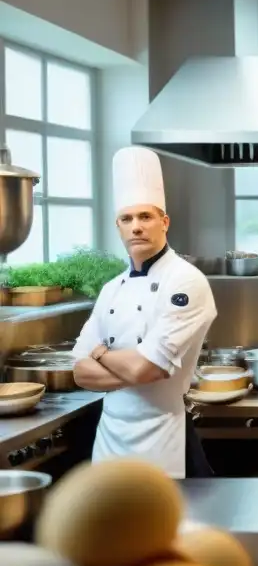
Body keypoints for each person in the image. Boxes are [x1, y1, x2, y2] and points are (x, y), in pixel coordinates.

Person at [72, 146, 217, 478]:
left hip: (162, 438)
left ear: (164, 222)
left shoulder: (185, 280)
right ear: (118, 226)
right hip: (110, 441)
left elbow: (146, 369)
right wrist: (135, 368)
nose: (135, 227)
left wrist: (100, 353)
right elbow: (80, 374)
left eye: (145, 217)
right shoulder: (111, 289)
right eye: (127, 219)